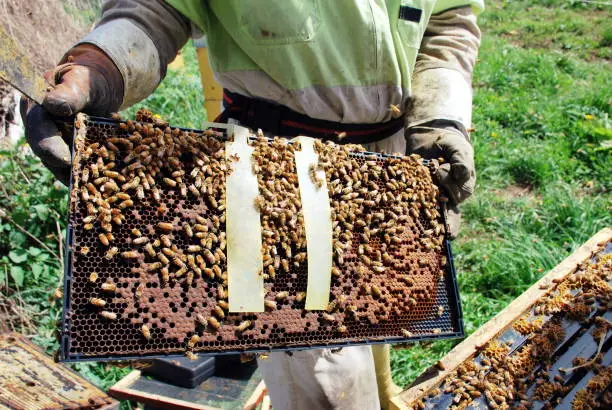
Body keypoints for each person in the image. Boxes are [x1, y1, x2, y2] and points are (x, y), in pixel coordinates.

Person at [24, 1, 483, 409]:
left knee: (377, 318)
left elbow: (448, 20)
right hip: (270, 178)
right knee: (325, 375)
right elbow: (155, 7)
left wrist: (440, 116)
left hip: (384, 169)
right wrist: (101, 64)